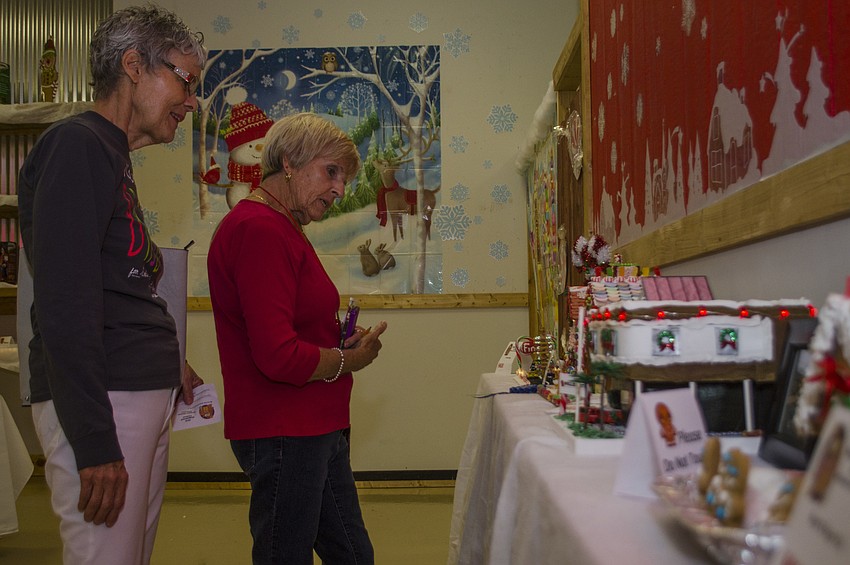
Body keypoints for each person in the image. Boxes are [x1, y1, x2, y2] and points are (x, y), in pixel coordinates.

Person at [16, 5, 205, 564]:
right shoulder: (77, 146)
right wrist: (95, 443)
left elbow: (113, 283)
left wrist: (167, 354)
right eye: (186, 80)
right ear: (134, 65)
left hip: (133, 393)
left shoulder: (110, 155)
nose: (192, 101)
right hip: (106, 405)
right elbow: (65, 303)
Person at [207, 112, 388, 565]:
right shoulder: (260, 230)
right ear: (289, 161)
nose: (339, 190)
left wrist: (337, 344)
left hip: (313, 427)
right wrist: (351, 361)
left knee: (352, 554)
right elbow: (278, 357)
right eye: (332, 172)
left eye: (343, 178)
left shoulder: (284, 227)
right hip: (285, 432)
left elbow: (292, 329)